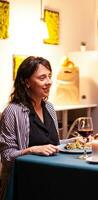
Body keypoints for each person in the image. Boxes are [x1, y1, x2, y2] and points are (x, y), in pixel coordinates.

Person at [0, 56, 59, 199]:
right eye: (42, 78)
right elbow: (7, 156)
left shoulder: (50, 108)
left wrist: (75, 142)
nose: (49, 82)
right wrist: (31, 150)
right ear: (27, 82)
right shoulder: (12, 111)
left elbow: (54, 145)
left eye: (49, 76)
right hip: (26, 184)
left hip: (52, 180)